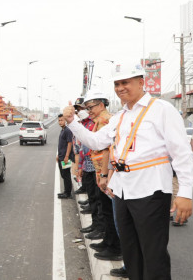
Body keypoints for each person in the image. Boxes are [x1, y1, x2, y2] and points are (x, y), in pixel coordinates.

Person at [63, 62, 193, 280]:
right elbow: (96, 142)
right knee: (131, 253)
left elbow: (182, 154)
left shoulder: (162, 110)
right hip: (122, 191)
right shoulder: (121, 117)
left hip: (151, 191)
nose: (120, 87)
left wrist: (185, 193)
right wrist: (72, 122)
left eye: (126, 82)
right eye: (117, 83)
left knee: (153, 255)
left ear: (141, 82)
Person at [79, 89, 122, 261]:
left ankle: (114, 247)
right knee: (104, 209)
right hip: (100, 170)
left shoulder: (105, 120)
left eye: (91, 107)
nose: (88, 110)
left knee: (109, 211)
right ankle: (108, 241)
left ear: (101, 104)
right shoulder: (99, 120)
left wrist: (104, 175)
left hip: (105, 172)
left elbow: (106, 150)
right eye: (87, 107)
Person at [56, 114, 74, 199]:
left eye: (62, 120)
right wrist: (58, 155)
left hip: (65, 157)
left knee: (66, 175)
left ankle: (68, 193)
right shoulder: (62, 130)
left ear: (65, 121)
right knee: (63, 174)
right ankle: (66, 191)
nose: (60, 122)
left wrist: (67, 156)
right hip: (61, 156)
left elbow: (69, 143)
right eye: (59, 120)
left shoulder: (67, 130)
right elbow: (61, 144)